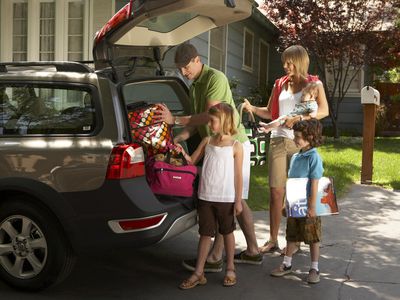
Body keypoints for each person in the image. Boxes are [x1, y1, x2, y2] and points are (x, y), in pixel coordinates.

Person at [156, 43, 261, 271]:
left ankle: (216, 256)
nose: (184, 73)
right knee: (234, 200)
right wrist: (176, 138)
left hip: (233, 145)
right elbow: (195, 126)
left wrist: (176, 120)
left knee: (231, 200)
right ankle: (252, 251)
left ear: (196, 59)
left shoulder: (216, 78)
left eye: (185, 67)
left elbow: (207, 116)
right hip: (214, 147)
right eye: (180, 69)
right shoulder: (194, 86)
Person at [242, 45, 329, 255]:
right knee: (276, 192)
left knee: (296, 193)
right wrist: (253, 108)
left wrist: (299, 118)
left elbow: (324, 111)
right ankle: (273, 239)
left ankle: (295, 241)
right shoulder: (280, 84)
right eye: (284, 61)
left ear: (300, 62)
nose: (285, 66)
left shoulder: (313, 84)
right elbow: (271, 112)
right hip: (278, 141)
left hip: (301, 144)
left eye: (290, 62)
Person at [179, 103, 243, 289]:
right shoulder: (207, 141)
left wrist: (238, 200)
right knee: (205, 234)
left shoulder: (236, 146)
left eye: (213, 121)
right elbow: (191, 161)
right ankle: (198, 272)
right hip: (206, 196)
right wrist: (180, 152)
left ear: (224, 121)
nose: (209, 124)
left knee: (227, 232)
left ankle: (230, 268)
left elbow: (238, 176)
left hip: (226, 198)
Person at [270, 119, 324, 284]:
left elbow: (315, 182)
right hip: (294, 204)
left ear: (311, 137)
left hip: (308, 206)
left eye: (298, 137)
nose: (295, 139)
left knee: (312, 237)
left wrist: (312, 206)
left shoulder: (314, 157)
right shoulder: (295, 157)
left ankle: (315, 268)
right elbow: (291, 182)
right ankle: (287, 264)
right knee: (291, 234)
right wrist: (286, 203)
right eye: (295, 136)